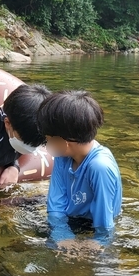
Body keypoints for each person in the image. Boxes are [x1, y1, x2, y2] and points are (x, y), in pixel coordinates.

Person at [37, 90, 122, 246]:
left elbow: (104, 224)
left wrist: (97, 244)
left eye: (47, 139)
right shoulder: (62, 156)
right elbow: (55, 205)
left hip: (92, 225)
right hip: (70, 219)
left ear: (64, 141)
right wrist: (63, 236)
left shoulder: (100, 167)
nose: (46, 143)